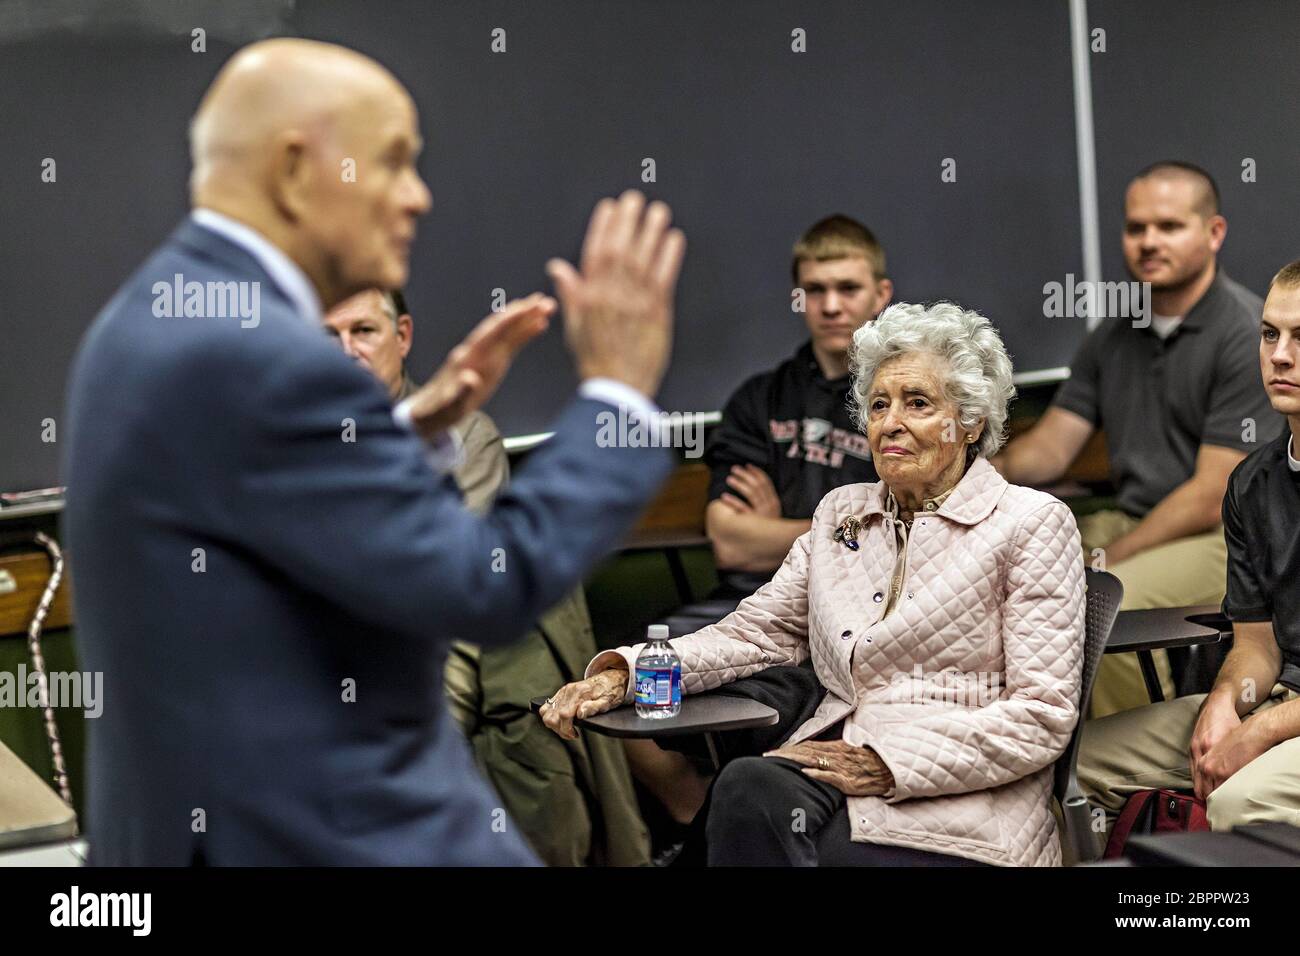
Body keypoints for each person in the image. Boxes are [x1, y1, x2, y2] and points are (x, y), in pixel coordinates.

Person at [62, 39, 685, 865]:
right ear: (293, 172)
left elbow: (271, 523)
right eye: (392, 163)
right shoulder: (265, 359)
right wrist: (618, 396)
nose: (418, 197)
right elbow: (486, 583)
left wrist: (408, 428)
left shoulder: (153, 320)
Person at [543, 303, 1086, 867]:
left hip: (961, 803)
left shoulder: (1029, 523)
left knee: (764, 820)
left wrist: (888, 762)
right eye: (879, 404)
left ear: (971, 422)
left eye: (918, 403)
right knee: (747, 788)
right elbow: (754, 633)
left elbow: (1040, 714)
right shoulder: (841, 516)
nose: (890, 422)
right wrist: (629, 675)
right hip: (836, 771)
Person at [322, 287, 652, 865]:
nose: (346, 351)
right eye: (329, 337)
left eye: (362, 332)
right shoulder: (291, 444)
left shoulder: (463, 433)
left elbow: (447, 574)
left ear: (401, 336)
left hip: (448, 632)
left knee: (524, 685)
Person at [993, 161, 1280, 717]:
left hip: (1224, 536)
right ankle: (1027, 750)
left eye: (1169, 226)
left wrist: (1108, 558)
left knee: (1104, 601)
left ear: (1213, 233)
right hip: (1130, 519)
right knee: (1004, 571)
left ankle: (1128, 774)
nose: (1148, 242)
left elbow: (1209, 495)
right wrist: (970, 470)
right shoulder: (1112, 335)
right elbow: (1052, 448)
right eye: (1136, 228)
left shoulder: (1248, 333)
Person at [1078, 260, 1300, 833]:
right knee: (1067, 769)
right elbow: (1257, 644)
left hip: (1285, 721)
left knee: (1238, 802)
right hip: (1276, 698)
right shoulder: (1253, 482)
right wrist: (1224, 701)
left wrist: (1260, 731)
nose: (1279, 355)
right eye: (1270, 333)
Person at [705, 214, 892, 596]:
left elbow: (904, 536)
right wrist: (849, 531)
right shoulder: (759, 398)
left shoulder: (907, 400)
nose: (831, 306)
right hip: (755, 596)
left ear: (881, 294)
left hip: (865, 599)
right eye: (815, 290)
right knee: (641, 656)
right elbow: (732, 544)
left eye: (848, 288)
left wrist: (778, 532)